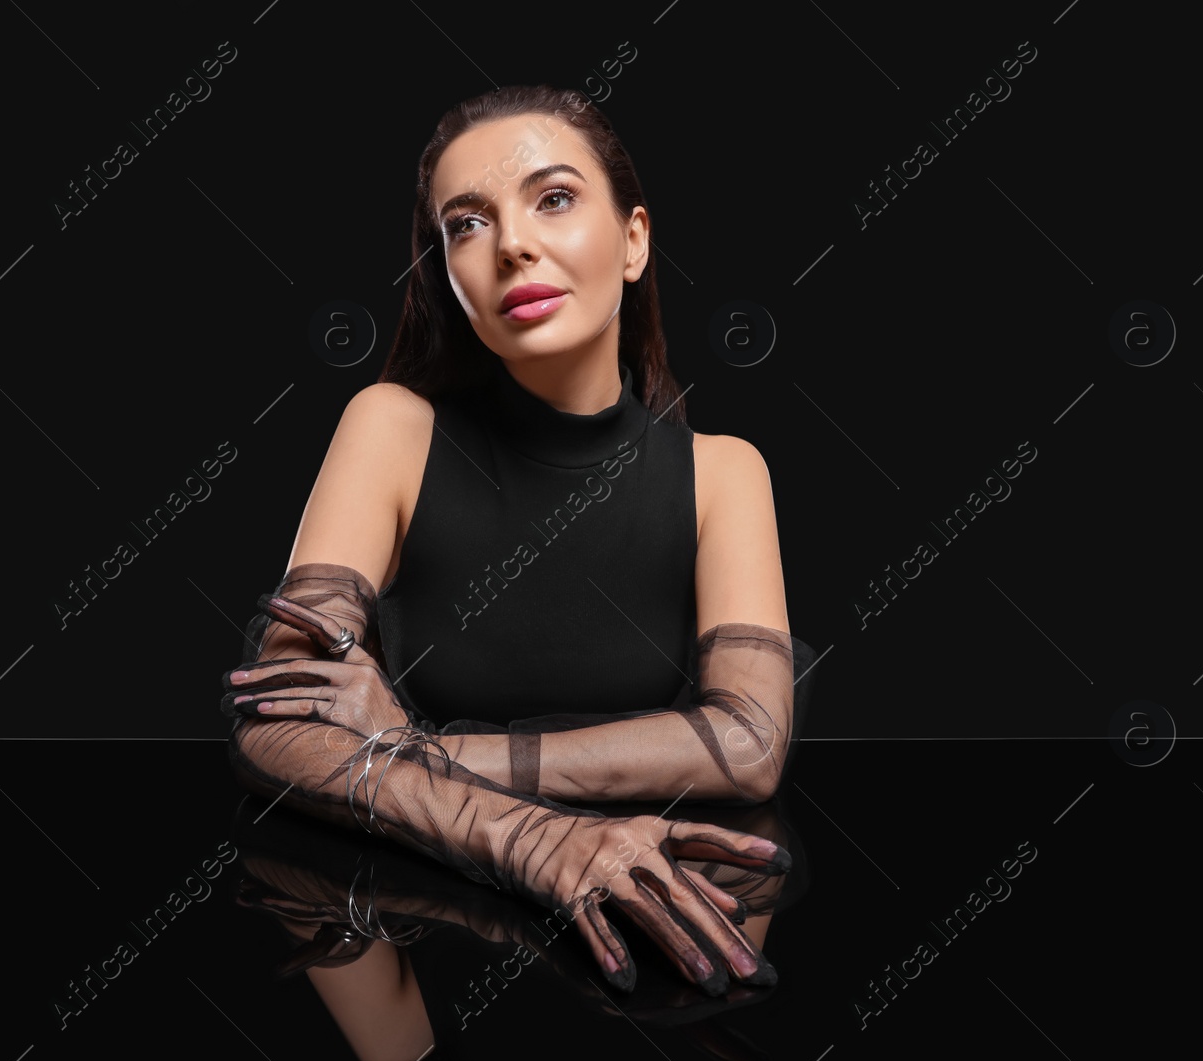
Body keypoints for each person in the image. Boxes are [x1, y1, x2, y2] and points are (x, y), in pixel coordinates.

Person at [222, 85, 815, 998]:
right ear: (450, 277)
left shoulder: (726, 473)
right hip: (423, 917)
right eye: (467, 223)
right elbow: (277, 722)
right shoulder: (391, 427)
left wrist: (414, 751)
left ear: (634, 241)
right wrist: (532, 839)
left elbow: (748, 744)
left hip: (668, 937)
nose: (511, 245)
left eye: (554, 198)